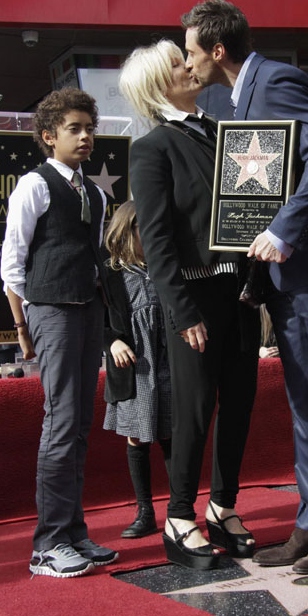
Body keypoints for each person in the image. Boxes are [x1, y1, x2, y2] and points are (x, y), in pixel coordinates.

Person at [182, 0, 308, 574]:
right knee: (305, 403)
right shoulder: (239, 93)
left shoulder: (274, 81)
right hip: (287, 278)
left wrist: (283, 229)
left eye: (191, 51)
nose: (187, 63)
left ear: (217, 49)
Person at [119, 41, 259, 570]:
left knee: (240, 404)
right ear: (159, 84)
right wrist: (181, 311)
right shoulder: (152, 147)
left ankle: (223, 506)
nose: (189, 66)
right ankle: (180, 518)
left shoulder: (227, 134)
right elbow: (155, 241)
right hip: (194, 298)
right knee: (196, 411)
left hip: (242, 291)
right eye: (178, 64)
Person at [0, 87, 118, 578]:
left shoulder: (96, 193)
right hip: (53, 310)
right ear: (49, 136)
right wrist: (31, 321)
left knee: (78, 426)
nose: (87, 136)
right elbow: (12, 263)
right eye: (75, 128)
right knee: (61, 422)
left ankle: (72, 533)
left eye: (90, 128)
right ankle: (47, 544)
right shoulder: (35, 184)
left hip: (88, 311)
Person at [103, 200, 172, 538]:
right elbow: (94, 318)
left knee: (172, 434)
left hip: (170, 365)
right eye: (146, 227)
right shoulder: (110, 271)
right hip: (134, 368)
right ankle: (145, 511)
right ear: (128, 231)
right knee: (137, 438)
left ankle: (179, 509)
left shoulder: (167, 265)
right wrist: (112, 341)